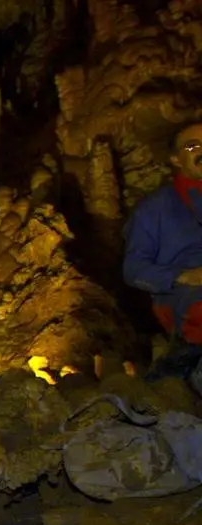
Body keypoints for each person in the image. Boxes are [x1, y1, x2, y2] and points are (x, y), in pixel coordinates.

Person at [125, 121, 202, 378]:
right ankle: (178, 368)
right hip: (185, 297)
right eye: (193, 147)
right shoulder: (154, 209)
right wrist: (183, 276)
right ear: (176, 159)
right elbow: (134, 269)